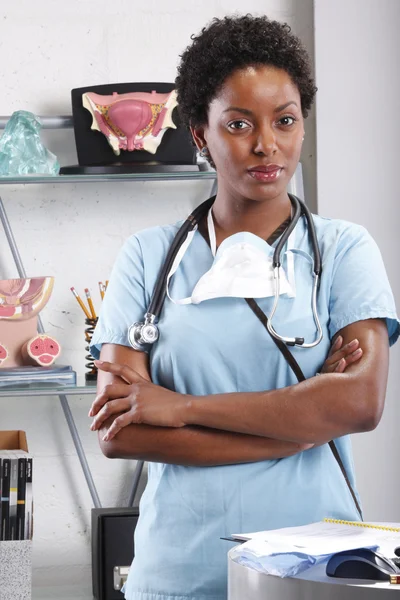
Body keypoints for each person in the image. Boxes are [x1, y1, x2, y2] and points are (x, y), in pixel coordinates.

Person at [88, 14, 399, 600]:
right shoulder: (148, 256)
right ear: (200, 135)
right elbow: (119, 434)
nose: (267, 144)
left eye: (285, 121)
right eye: (238, 124)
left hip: (316, 569)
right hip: (181, 571)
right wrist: (301, 427)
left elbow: (358, 403)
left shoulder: (343, 249)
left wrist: (178, 408)